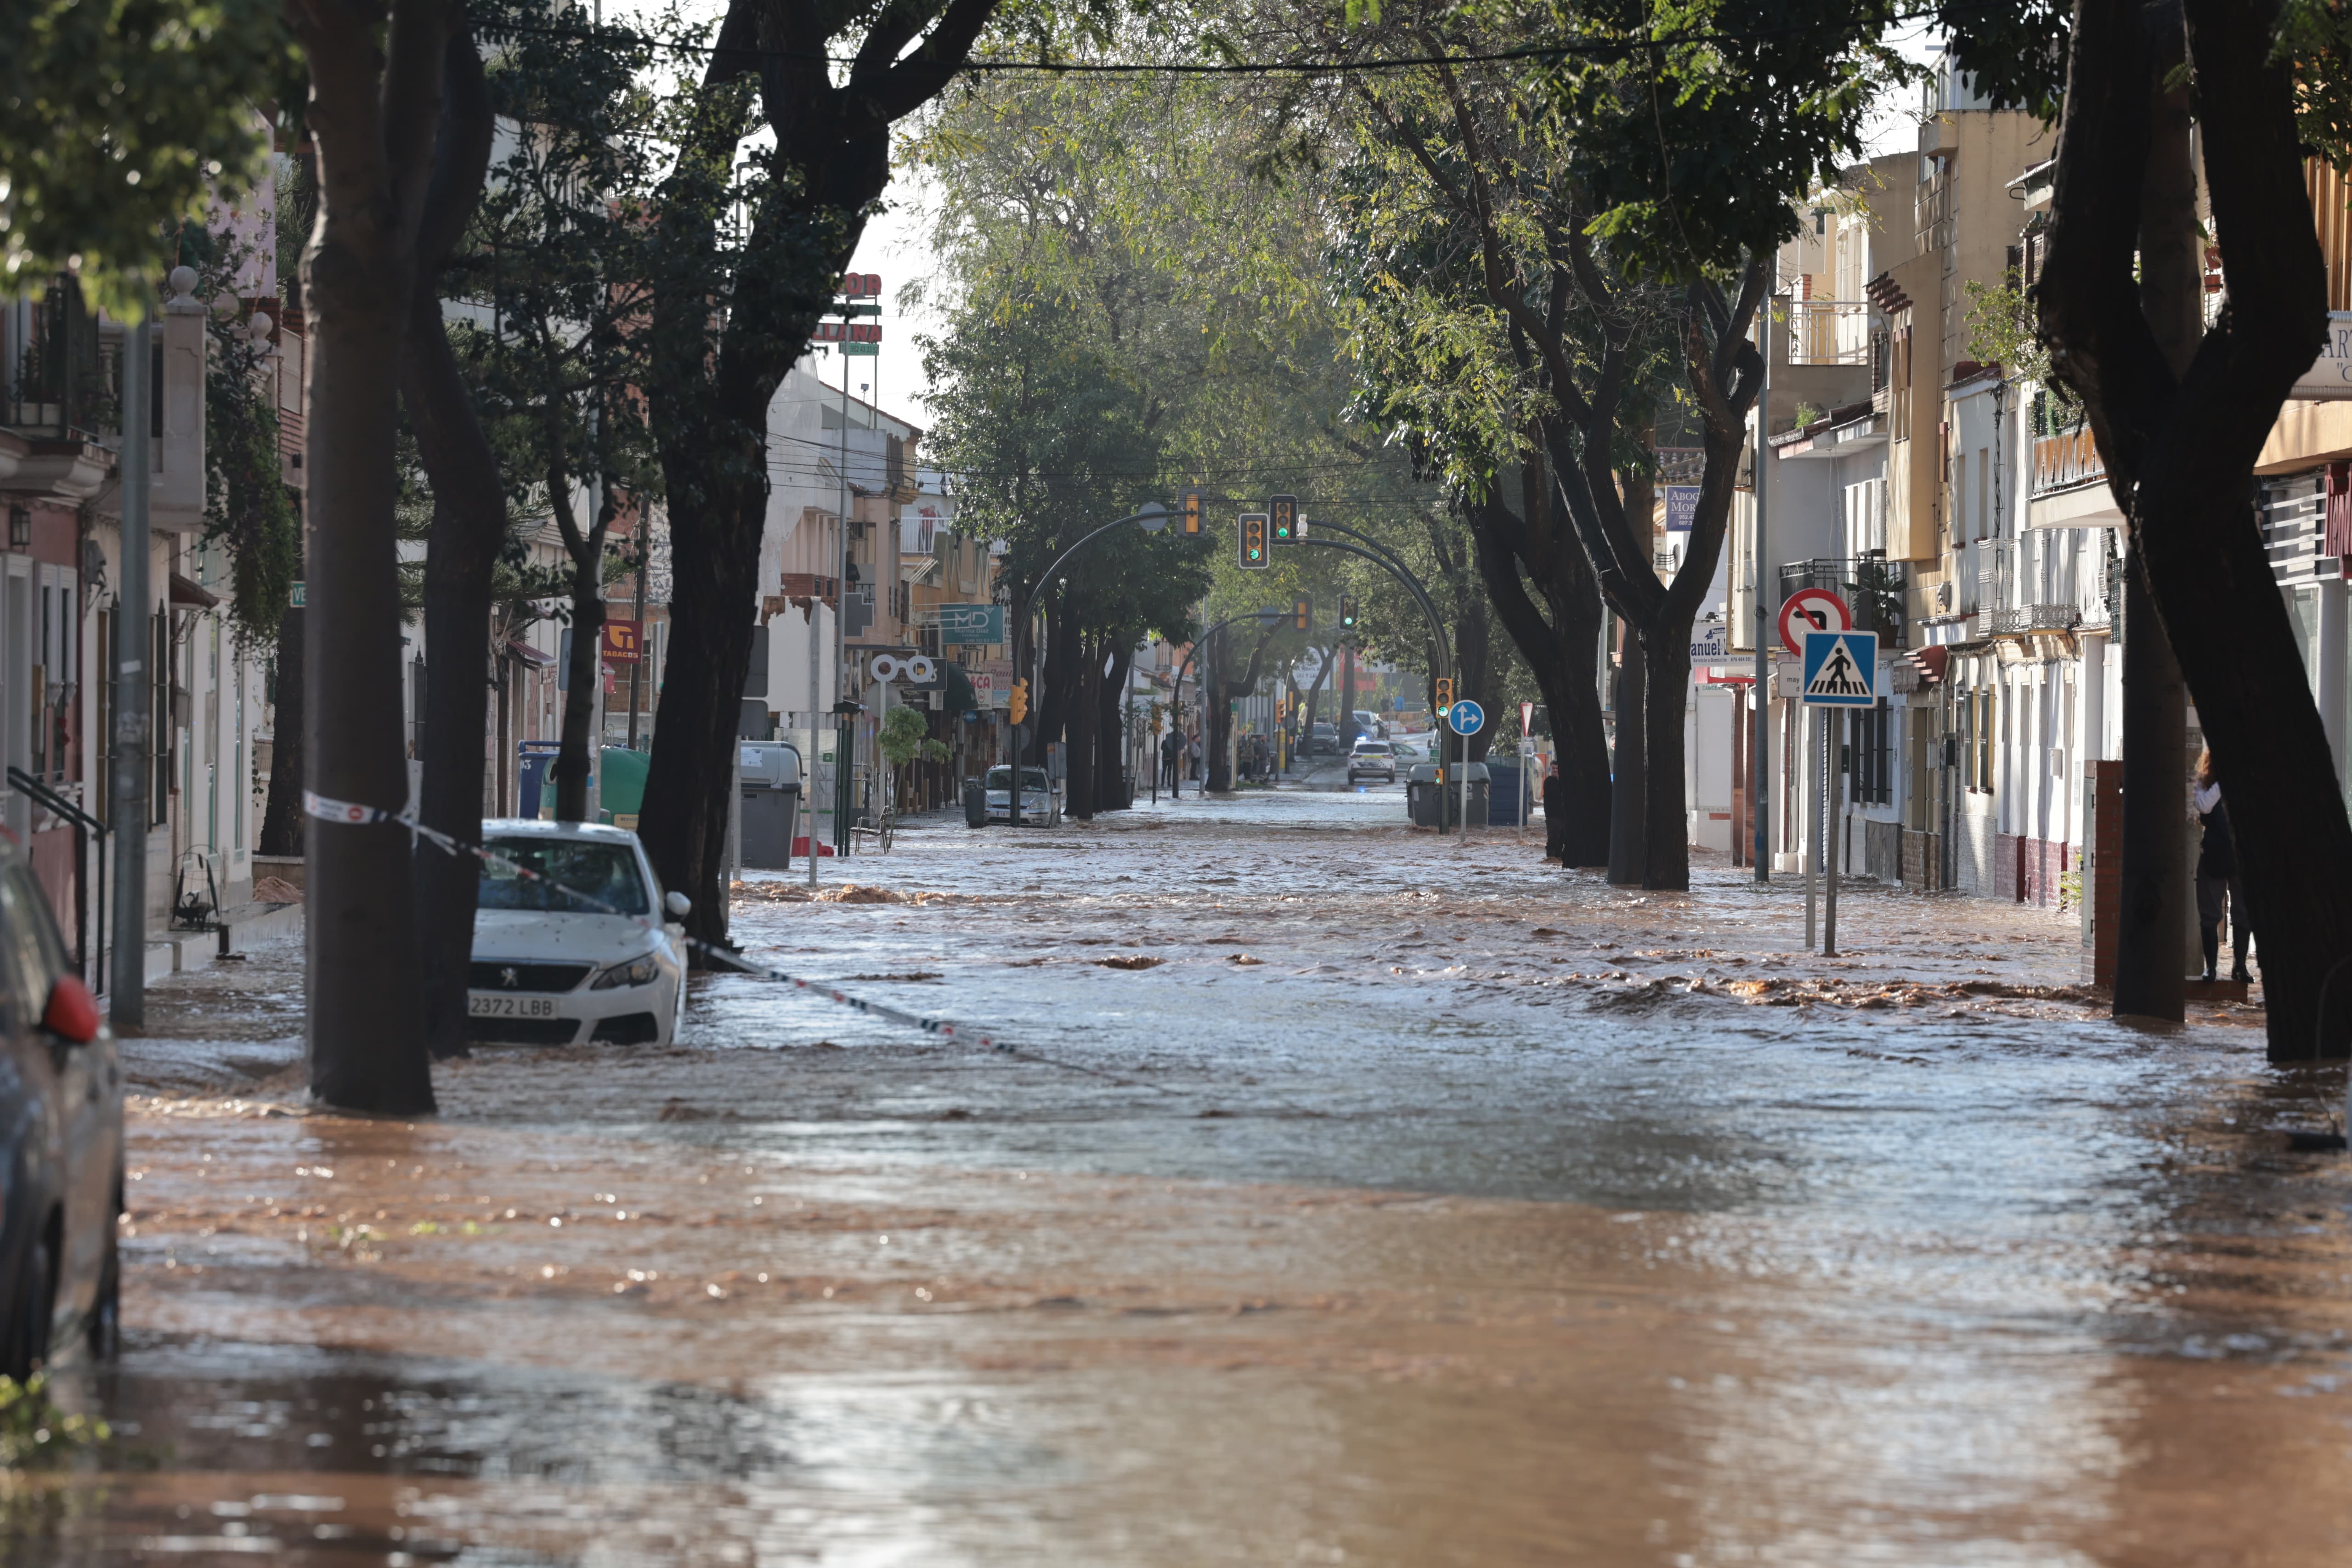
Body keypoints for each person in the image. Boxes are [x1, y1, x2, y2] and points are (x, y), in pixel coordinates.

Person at [2194, 749, 2252, 984]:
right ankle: (2212, 968)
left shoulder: (2248, 782)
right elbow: (2204, 806)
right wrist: (2224, 782)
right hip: (2214, 856)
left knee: (2243, 914)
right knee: (2210, 914)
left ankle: (2240, 966)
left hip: (2242, 857)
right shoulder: (2204, 783)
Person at [1541, 755, 1566, 863]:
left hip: (1564, 816)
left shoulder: (1563, 782)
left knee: (1562, 840)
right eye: (1553, 769)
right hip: (1553, 816)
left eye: (1557, 769)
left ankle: (1558, 861)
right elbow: (1556, 794)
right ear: (1550, 769)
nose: (1555, 771)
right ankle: (1550, 860)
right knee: (1553, 839)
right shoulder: (1549, 782)